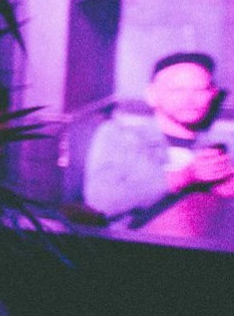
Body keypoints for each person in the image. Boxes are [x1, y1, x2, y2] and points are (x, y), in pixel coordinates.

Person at [83, 52, 234, 244]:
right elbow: (100, 202)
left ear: (213, 94)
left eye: (200, 89)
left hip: (207, 254)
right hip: (135, 250)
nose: (189, 99)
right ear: (152, 95)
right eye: (177, 90)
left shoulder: (225, 145)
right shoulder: (120, 136)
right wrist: (183, 177)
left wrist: (226, 196)